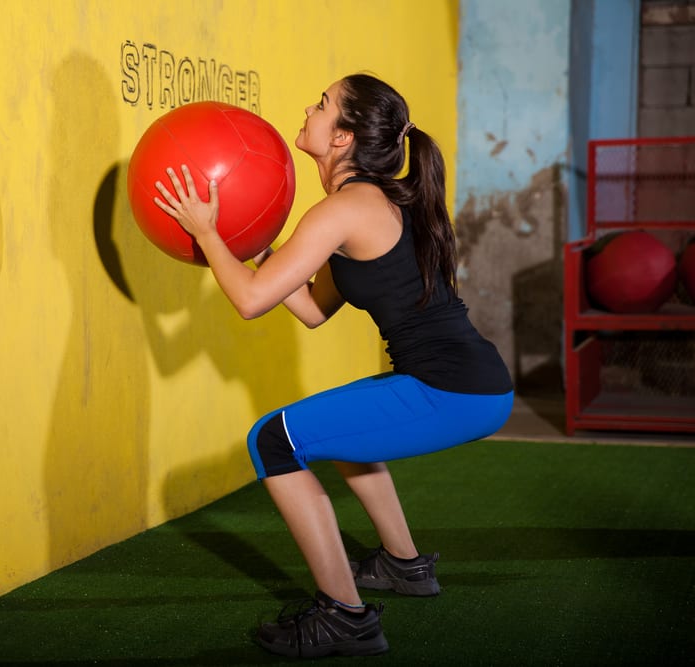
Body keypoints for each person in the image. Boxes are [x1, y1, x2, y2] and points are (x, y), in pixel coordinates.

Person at [153, 72, 513, 659]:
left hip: (452, 390)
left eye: (321, 104)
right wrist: (255, 241)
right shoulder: (373, 203)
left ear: (342, 137)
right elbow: (314, 308)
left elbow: (249, 301)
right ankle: (404, 565)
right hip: (469, 382)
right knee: (344, 430)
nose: (308, 107)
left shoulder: (345, 209)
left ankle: (345, 617)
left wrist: (208, 232)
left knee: (272, 440)